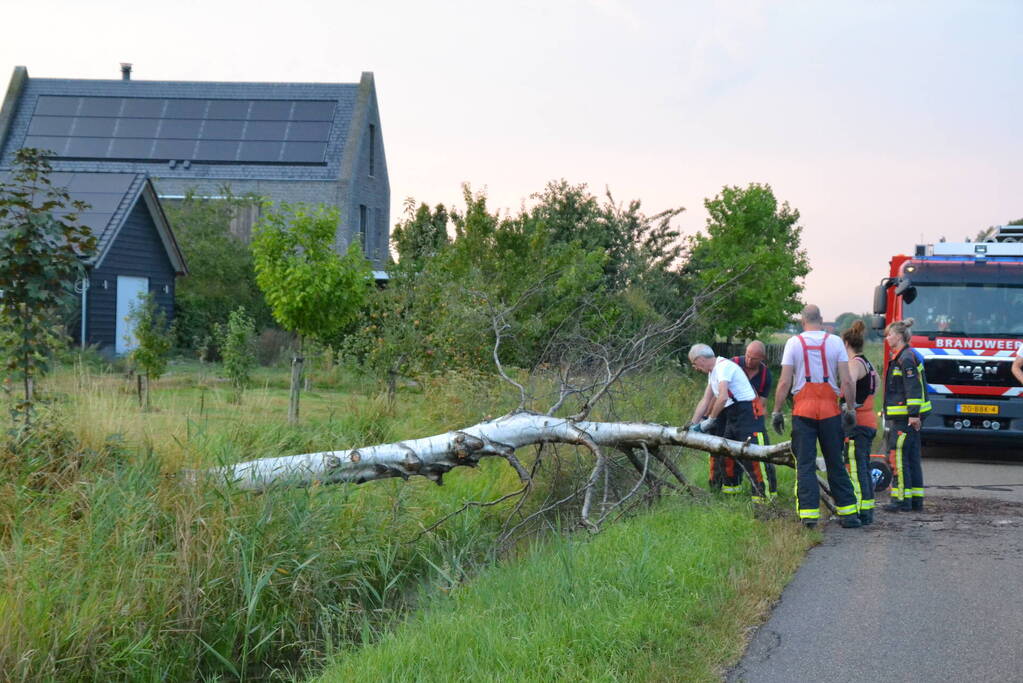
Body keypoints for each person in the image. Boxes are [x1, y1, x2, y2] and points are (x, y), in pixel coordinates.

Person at [771, 305, 862, 528]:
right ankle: (849, 514)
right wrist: (850, 409)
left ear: (802, 321)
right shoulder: (836, 342)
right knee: (835, 463)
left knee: (805, 465)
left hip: (803, 412)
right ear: (821, 320)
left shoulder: (793, 343)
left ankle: (809, 517)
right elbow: (847, 381)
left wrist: (776, 411)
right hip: (830, 412)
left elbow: (784, 382)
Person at [688, 344, 758, 495]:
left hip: (746, 411)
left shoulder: (723, 367)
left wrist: (710, 420)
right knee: (727, 453)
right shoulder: (713, 372)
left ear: (700, 359)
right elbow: (706, 400)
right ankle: (732, 492)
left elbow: (723, 397)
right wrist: (693, 424)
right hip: (732, 412)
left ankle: (763, 496)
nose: (695, 368)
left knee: (751, 453)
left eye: (694, 363)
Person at [882, 318, 931, 512]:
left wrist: (913, 415)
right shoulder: (904, 356)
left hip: (905, 418)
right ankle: (915, 499)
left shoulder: (906, 358)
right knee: (911, 458)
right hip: (906, 417)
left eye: (890, 335)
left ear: (899, 336)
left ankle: (901, 500)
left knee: (898, 457)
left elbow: (913, 388)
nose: (887, 338)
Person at [841, 321, 879, 525]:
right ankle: (867, 509)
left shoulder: (854, 364)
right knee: (863, 467)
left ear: (846, 343)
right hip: (869, 420)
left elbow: (850, 383)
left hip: (857, 423)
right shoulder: (868, 364)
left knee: (855, 467)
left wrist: (850, 407)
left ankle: (858, 510)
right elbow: (877, 386)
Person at [732, 341, 776, 502]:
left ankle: (766, 494)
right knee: (727, 456)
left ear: (762, 358)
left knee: (759, 454)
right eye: (748, 356)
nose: (749, 360)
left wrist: (755, 423)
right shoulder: (733, 364)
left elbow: (762, 402)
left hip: (752, 418)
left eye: (754, 358)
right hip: (730, 416)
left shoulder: (765, 375)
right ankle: (730, 491)